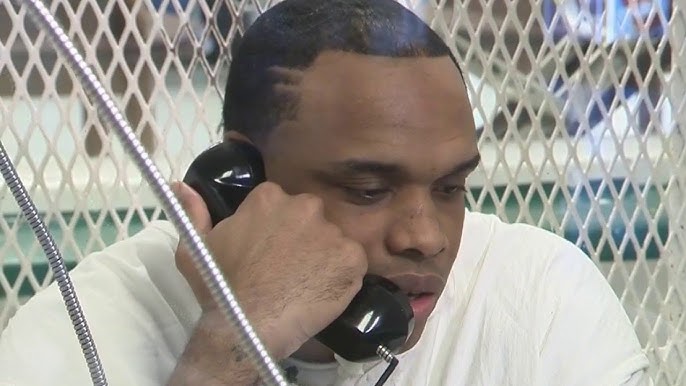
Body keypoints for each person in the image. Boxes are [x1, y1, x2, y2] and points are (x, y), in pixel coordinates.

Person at [0, 0, 651, 385]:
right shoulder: (75, 336)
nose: (426, 236)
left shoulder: (539, 300)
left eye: (452, 187)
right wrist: (232, 345)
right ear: (243, 178)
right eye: (369, 189)